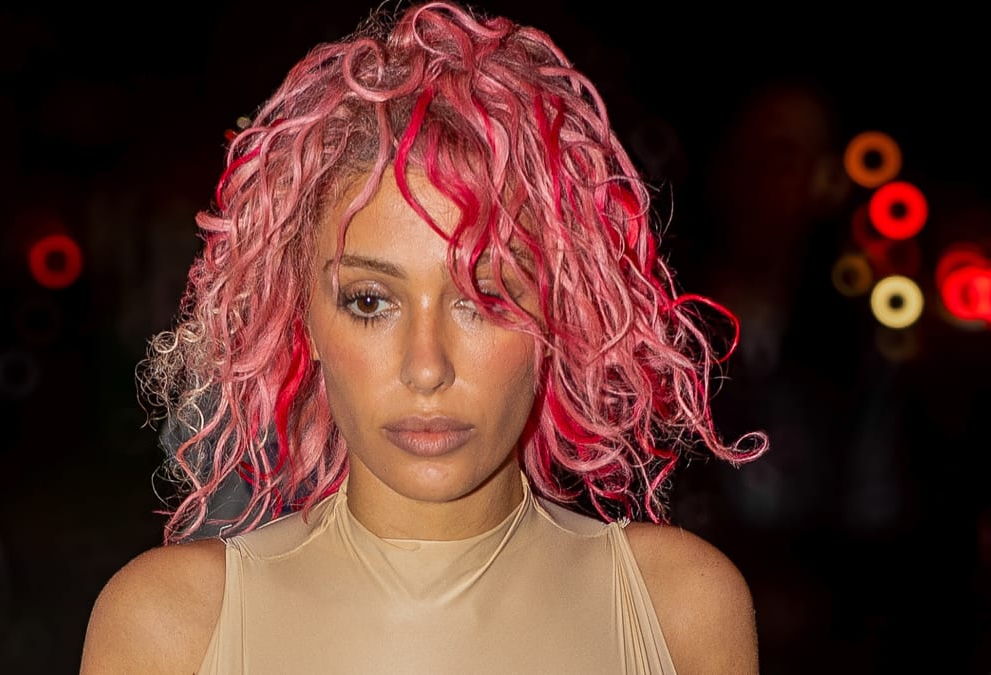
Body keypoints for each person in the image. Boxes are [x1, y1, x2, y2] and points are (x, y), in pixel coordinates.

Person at [80, 2, 769, 672]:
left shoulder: (682, 610)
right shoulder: (168, 626)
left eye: (484, 298)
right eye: (371, 300)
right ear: (305, 318)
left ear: (560, 314)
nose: (427, 366)